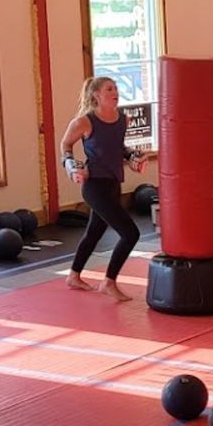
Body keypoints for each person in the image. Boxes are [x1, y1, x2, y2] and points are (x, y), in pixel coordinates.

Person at [60, 76, 154, 302]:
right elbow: (65, 145)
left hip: (113, 183)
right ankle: (109, 282)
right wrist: (71, 165)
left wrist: (133, 156)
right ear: (97, 95)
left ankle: (73, 275)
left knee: (94, 232)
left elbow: (118, 148)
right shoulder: (84, 122)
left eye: (116, 88)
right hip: (94, 186)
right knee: (131, 234)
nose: (115, 92)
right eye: (109, 89)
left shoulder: (123, 119)